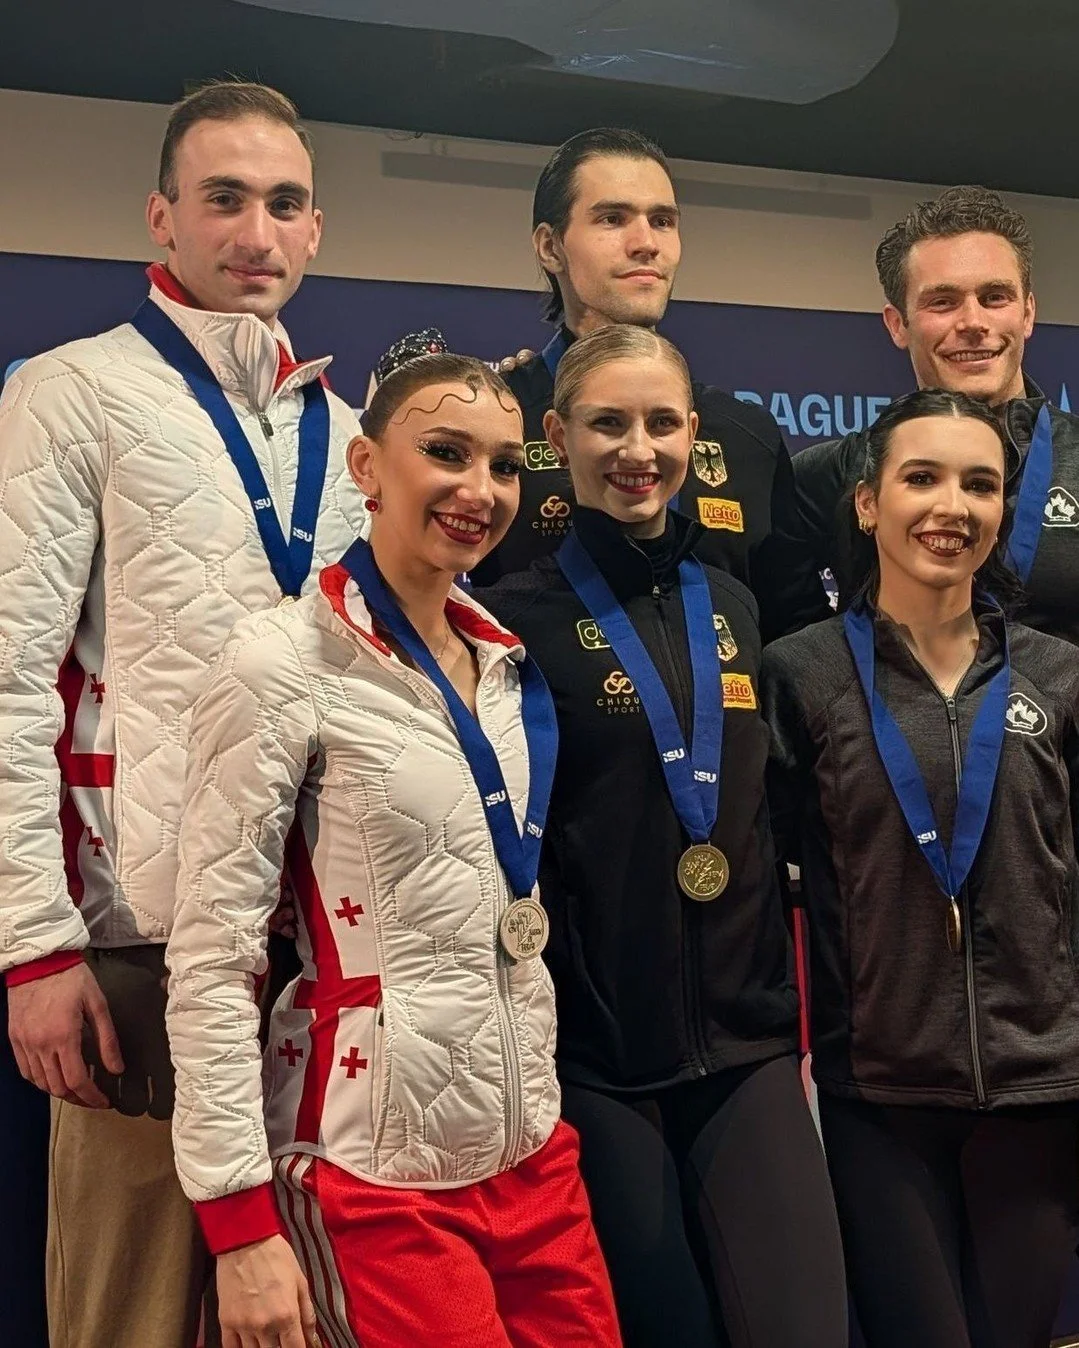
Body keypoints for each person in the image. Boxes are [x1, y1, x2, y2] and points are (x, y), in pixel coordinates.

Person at [0, 81, 368, 1348]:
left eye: (281, 203)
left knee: (301, 1313)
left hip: (321, 949)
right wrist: (36, 949)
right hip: (138, 937)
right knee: (132, 1316)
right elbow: (8, 675)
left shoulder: (354, 434)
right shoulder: (70, 392)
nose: (253, 230)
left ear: (314, 230)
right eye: (222, 198)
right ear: (163, 218)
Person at [165, 351, 622, 1348]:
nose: (480, 490)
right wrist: (237, 1222)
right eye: (445, 453)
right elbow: (211, 954)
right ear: (367, 467)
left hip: (531, 1154)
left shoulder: (502, 658)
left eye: (504, 465)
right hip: (375, 1166)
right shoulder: (279, 661)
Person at [478, 325, 847, 1348]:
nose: (635, 448)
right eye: (606, 422)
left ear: (692, 432)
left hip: (747, 1041)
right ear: (556, 435)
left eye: (659, 422)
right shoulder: (510, 625)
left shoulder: (730, 605)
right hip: (602, 1055)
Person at [764, 388, 1079, 1346]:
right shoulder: (801, 673)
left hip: (1041, 1090)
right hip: (881, 1097)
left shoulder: (1058, 676)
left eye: (978, 485)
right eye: (922, 478)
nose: (951, 506)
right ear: (866, 503)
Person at [389, 127, 825, 638]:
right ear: (550, 247)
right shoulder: (491, 419)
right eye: (613, 219)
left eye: (662, 221)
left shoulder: (743, 432)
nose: (645, 244)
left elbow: (795, 631)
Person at [793, 186, 1079, 643]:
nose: (972, 322)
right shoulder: (829, 475)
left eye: (994, 297)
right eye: (942, 302)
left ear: (1027, 312)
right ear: (897, 324)